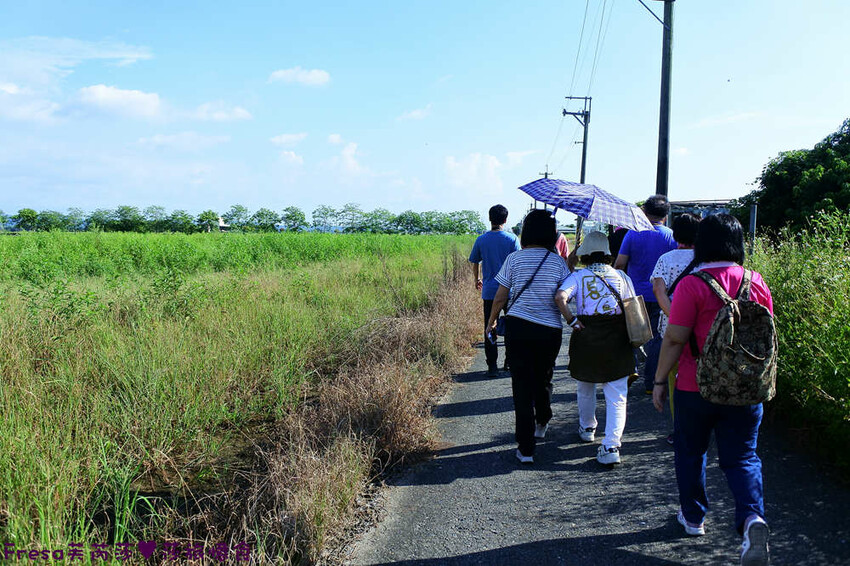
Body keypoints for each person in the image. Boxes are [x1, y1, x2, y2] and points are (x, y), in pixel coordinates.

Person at [652, 214, 773, 566]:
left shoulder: (693, 283)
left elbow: (675, 338)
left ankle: (693, 518)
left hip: (695, 386)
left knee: (691, 451)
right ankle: (752, 518)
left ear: (703, 243)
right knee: (743, 457)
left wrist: (660, 381)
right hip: (746, 387)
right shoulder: (756, 281)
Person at [486, 209, 572, 464]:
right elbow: (568, 296)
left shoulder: (515, 259)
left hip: (519, 328)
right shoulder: (558, 263)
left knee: (521, 385)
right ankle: (542, 419)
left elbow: (501, 296)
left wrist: (491, 321)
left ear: (526, 231)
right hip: (549, 331)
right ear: (552, 233)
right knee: (544, 376)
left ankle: (525, 449)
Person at [556, 231, 637, 465]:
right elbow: (632, 306)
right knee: (617, 395)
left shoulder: (579, 276)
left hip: (586, 335)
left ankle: (587, 427)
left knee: (585, 384)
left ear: (586, 255)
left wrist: (571, 320)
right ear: (608, 254)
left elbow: (560, 297)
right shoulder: (621, 276)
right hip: (617, 338)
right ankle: (611, 446)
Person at [614, 195, 677, 393]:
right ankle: (652, 383)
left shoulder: (633, 234)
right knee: (657, 338)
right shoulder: (671, 236)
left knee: (632, 334)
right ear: (665, 216)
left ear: (645, 213)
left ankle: (631, 370)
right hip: (661, 295)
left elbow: (620, 264)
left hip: (633, 294)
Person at [651, 213, 701, 444]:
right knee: (700, 377)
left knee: (675, 381)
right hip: (700, 328)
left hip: (671, 329)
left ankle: (679, 428)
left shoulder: (666, 259)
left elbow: (659, 292)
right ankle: (701, 426)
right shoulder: (705, 259)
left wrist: (676, 319)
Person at [469, 204, 521, 377]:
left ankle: (492, 366)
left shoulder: (481, 240)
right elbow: (518, 264)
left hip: (490, 291)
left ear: (490, 218)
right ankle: (509, 361)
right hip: (510, 291)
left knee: (489, 326)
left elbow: (475, 261)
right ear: (505, 220)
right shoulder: (512, 239)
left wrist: (477, 279)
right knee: (512, 327)